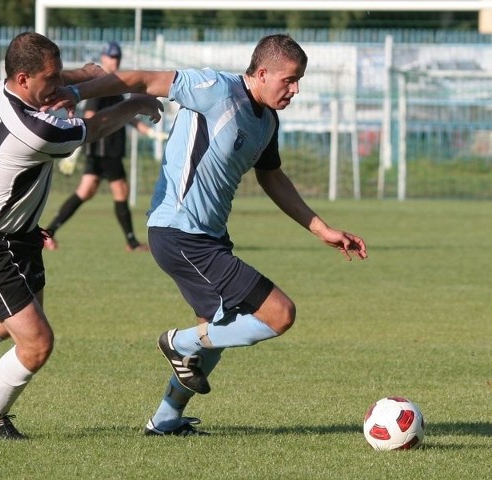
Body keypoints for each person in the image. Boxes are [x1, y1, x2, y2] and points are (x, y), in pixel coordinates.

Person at [46, 33, 368, 436]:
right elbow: (142, 79)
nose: (296, 89)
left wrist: (322, 229)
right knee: (279, 314)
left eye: (299, 80)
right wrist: (75, 90)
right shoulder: (216, 89)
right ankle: (177, 343)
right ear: (262, 73)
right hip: (178, 232)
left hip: (208, 238)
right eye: (289, 79)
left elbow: (273, 178)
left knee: (215, 331)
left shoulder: (267, 120)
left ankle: (164, 420)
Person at [0, 32, 162, 441]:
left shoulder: (1, 91)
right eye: (50, 78)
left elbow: (67, 85)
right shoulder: (35, 130)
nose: (57, 84)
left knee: (9, 322)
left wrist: (80, 79)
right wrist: (134, 103)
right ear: (24, 78)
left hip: (20, 236)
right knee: (37, 342)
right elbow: (96, 128)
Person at [43, 41, 153, 252]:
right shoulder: (102, 87)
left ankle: (47, 234)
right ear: (103, 58)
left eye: (117, 57)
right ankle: (132, 242)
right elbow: (91, 117)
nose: (114, 60)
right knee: (120, 190)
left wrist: (145, 129)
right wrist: (74, 150)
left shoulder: (113, 86)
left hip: (105, 149)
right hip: (104, 149)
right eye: (111, 57)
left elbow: (123, 113)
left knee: (85, 192)